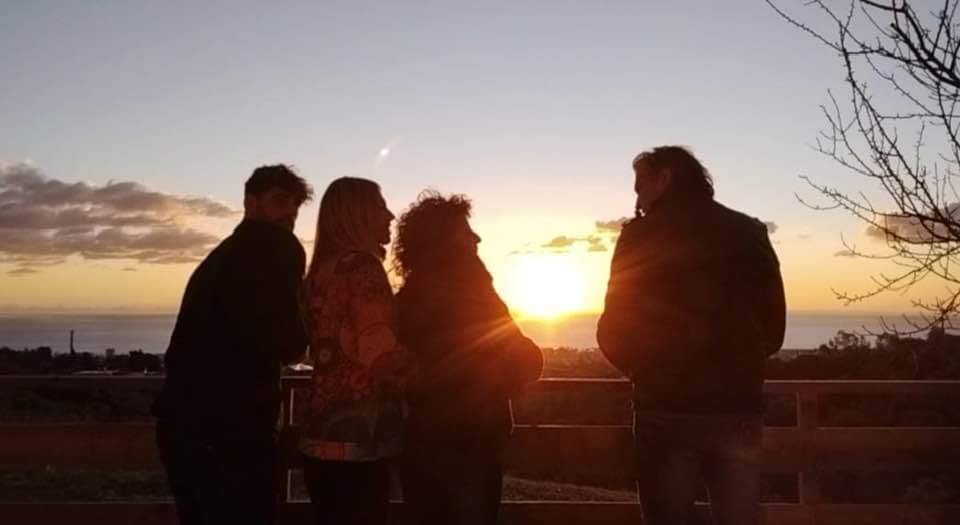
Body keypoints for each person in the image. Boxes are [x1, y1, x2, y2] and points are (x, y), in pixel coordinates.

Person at [597, 146, 785, 525]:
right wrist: (738, 366)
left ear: (665, 179)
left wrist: (644, 371)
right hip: (737, 406)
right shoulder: (749, 231)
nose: (637, 199)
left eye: (640, 187)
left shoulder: (639, 237)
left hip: (665, 407)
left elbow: (614, 327)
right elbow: (773, 326)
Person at [152, 164, 312, 525]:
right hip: (232, 430)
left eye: (295, 206)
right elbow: (290, 344)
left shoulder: (220, 257)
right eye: (280, 201)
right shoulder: (277, 246)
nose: (289, 213)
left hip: (181, 426)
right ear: (250, 202)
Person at [393, 191, 543, 525]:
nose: (477, 238)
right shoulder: (475, 293)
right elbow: (523, 359)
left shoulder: (407, 299)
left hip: (420, 440)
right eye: (465, 231)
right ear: (446, 240)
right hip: (473, 440)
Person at [299, 177, 413, 525]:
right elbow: (379, 354)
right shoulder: (362, 268)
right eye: (380, 206)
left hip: (319, 435)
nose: (390, 216)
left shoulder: (319, 273)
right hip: (360, 441)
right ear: (356, 214)